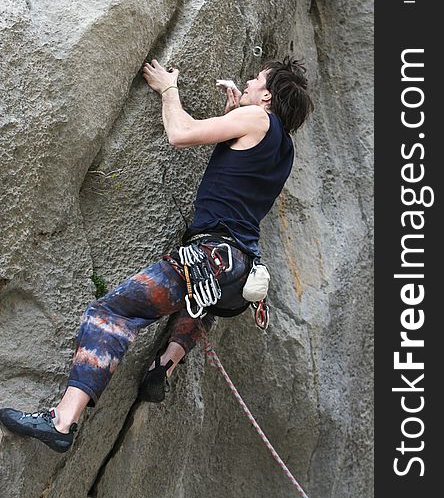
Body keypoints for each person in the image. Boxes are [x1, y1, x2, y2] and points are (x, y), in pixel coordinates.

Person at [0, 57, 313, 453]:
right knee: (203, 302)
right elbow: (241, 168)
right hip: (239, 272)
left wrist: (168, 88)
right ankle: (164, 363)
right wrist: (233, 115)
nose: (248, 82)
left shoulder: (257, 119)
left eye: (257, 81)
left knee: (111, 313)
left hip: (209, 256)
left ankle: (62, 421)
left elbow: (181, 134)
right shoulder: (284, 148)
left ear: (266, 96)